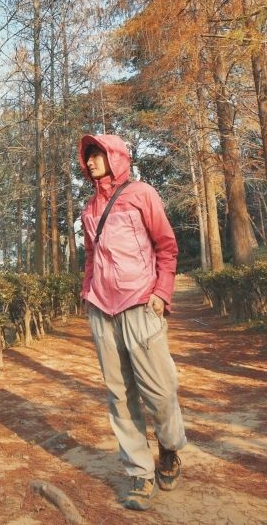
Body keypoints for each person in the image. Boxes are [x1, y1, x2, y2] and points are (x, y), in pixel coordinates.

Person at [78, 134, 187, 511]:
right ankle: (139, 473)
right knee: (120, 395)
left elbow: (166, 246)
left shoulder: (142, 194)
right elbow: (91, 256)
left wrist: (162, 293)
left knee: (159, 391)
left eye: (98, 155)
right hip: (102, 311)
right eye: (88, 156)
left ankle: (170, 448)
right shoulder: (89, 209)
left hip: (141, 304)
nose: (91, 162)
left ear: (115, 157)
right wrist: (87, 291)